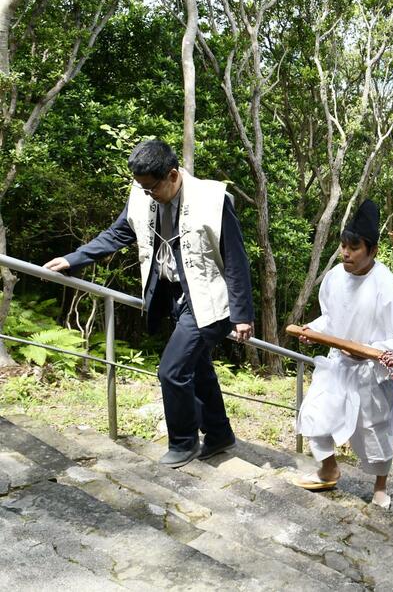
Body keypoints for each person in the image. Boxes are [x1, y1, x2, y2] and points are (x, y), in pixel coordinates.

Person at [44, 140, 254, 468]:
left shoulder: (213, 200)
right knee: (197, 369)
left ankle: (183, 443)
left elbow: (237, 260)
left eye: (152, 188)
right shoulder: (142, 196)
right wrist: (73, 260)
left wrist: (243, 315)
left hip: (210, 301)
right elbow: (116, 235)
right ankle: (220, 434)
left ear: (172, 175)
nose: (147, 194)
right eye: (141, 188)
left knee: (171, 371)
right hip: (173, 297)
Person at [294, 200, 393, 509]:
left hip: (372, 372)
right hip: (337, 364)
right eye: (343, 246)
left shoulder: (389, 287)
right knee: (314, 414)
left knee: (373, 431)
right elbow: (331, 317)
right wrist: (313, 329)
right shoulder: (334, 277)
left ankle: (381, 487)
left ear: (371, 250)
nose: (345, 252)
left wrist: (369, 354)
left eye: (354, 247)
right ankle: (328, 468)